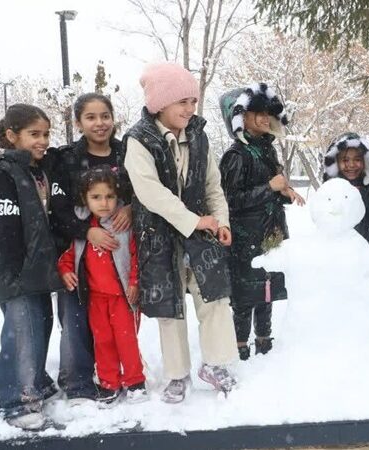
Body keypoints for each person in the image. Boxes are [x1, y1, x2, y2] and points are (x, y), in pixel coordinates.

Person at [124, 62, 236, 403]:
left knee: (214, 298)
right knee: (168, 307)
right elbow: (150, 192)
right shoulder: (139, 140)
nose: (190, 108)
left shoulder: (199, 136)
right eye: (182, 101)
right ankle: (177, 374)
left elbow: (213, 184)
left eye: (193, 100)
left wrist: (222, 220)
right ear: (160, 103)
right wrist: (194, 220)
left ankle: (215, 364)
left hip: (201, 234)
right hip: (158, 237)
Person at [0, 104, 62, 429]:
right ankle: (12, 399)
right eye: (34, 134)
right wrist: (18, 270)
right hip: (16, 274)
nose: (42, 141)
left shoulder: (34, 170)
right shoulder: (3, 173)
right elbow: (4, 229)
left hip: (36, 271)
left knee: (40, 325)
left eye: (45, 134)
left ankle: (35, 382)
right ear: (12, 136)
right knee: (22, 334)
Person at [49, 93, 133, 403]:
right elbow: (57, 209)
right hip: (80, 251)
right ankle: (78, 383)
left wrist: (132, 209)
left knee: (117, 325)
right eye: (91, 117)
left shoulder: (128, 152)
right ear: (78, 122)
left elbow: (149, 189)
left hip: (119, 253)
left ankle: (121, 376)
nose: (100, 123)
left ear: (113, 117)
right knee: (75, 320)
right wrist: (88, 232)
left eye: (105, 115)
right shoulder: (67, 158)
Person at [218, 84, 304, 361]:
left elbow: (275, 186)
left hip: (271, 233)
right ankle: (239, 345)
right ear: (240, 117)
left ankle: (264, 340)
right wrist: (269, 187)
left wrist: (286, 192)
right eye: (257, 113)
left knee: (267, 288)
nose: (265, 119)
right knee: (245, 295)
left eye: (267, 114)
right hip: (246, 237)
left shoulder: (268, 151)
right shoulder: (236, 156)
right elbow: (231, 200)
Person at [57, 167, 146, 405]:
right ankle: (109, 382)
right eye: (96, 197)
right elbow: (69, 254)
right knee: (103, 340)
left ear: (118, 197)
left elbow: (136, 256)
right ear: (85, 198)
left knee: (126, 340)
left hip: (122, 298)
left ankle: (135, 380)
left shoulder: (122, 223)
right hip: (96, 298)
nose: (104, 203)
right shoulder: (83, 227)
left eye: (109, 196)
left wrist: (135, 282)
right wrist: (65, 271)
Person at [323, 132, 369, 331]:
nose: (351, 165)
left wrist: (363, 195)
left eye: (357, 159)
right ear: (335, 162)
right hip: (339, 261)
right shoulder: (330, 189)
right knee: (341, 310)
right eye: (344, 160)